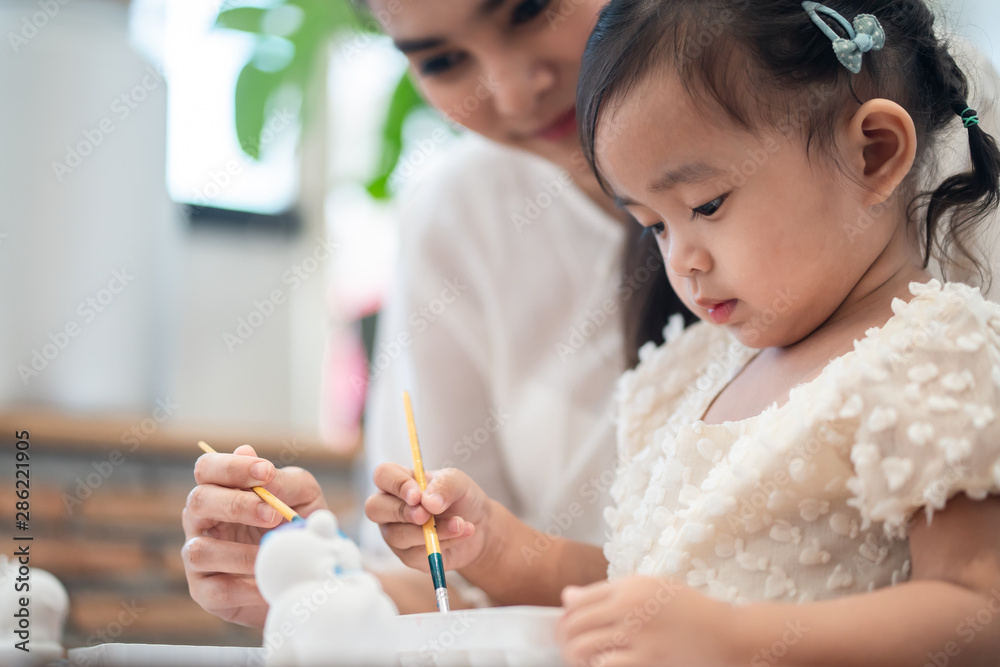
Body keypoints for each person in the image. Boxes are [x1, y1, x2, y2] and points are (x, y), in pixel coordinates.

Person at [182, 0, 998, 630]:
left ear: (877, 154)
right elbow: (637, 584)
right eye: (651, 224)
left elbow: (976, 610)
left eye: (530, 8)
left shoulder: (931, 348)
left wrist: (730, 637)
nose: (510, 88)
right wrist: (343, 576)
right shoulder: (699, 366)